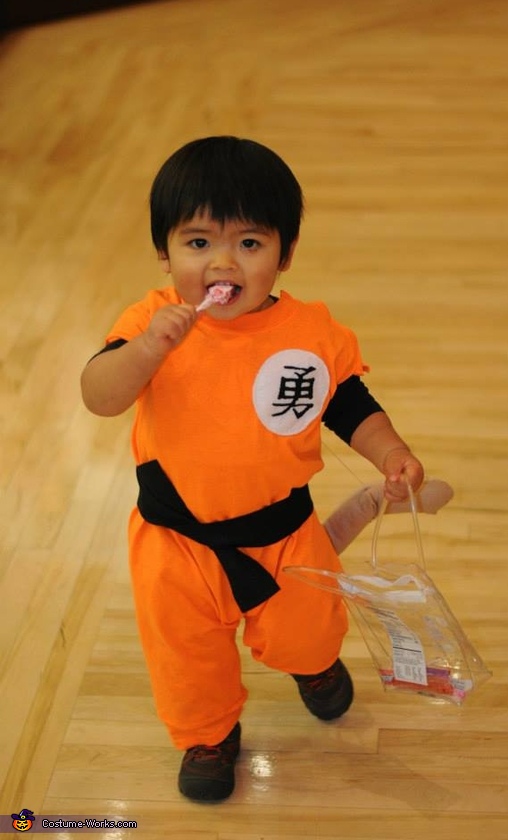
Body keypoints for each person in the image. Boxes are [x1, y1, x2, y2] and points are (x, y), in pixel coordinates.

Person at [81, 136, 444, 803]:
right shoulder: (148, 322)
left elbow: (349, 403)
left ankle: (313, 666)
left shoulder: (307, 332)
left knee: (308, 628)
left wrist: (391, 452)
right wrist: (146, 350)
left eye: (249, 243)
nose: (223, 262)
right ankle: (208, 734)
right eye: (197, 244)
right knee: (185, 656)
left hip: (283, 530)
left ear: (286, 253)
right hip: (176, 542)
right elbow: (101, 396)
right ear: (164, 251)